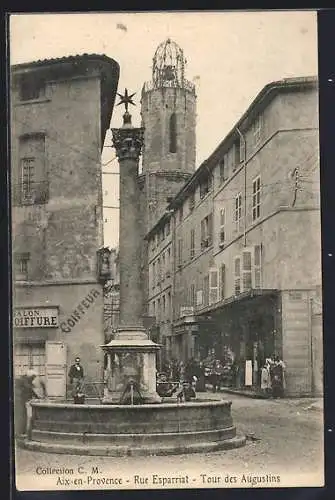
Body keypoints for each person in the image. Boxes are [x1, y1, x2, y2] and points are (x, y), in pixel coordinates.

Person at [14, 369, 45, 438]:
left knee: (23, 415)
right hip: (19, 400)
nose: (33, 379)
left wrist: (38, 397)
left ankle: (22, 431)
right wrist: (37, 397)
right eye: (33, 377)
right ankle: (19, 432)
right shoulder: (23, 380)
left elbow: (31, 390)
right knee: (21, 416)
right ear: (30, 376)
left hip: (22, 400)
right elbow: (29, 389)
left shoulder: (27, 380)